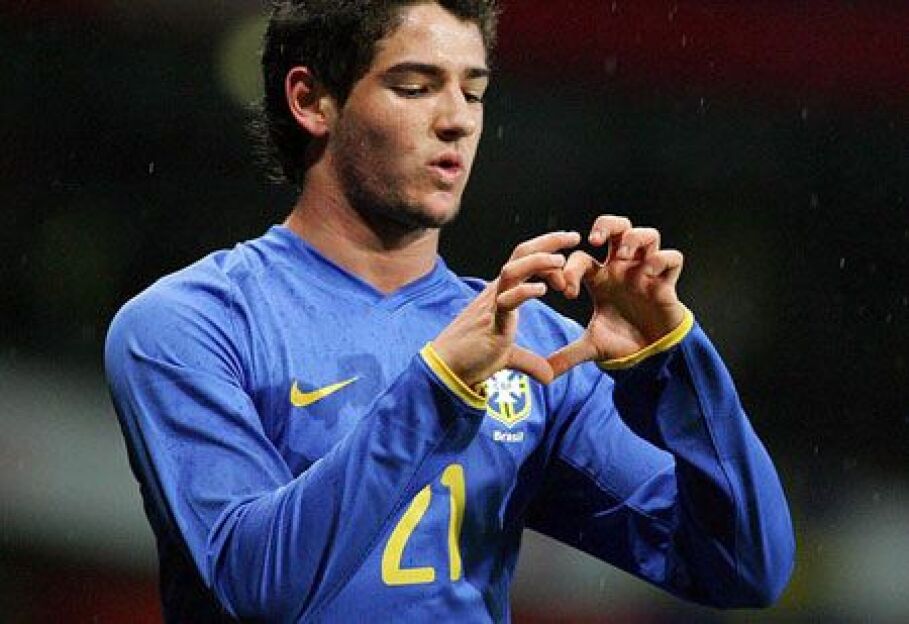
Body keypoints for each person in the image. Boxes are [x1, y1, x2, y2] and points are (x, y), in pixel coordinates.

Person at [104, 1, 795, 621]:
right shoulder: (190, 325)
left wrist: (673, 365)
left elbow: (744, 568)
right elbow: (258, 590)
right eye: (415, 87)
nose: (457, 119)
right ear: (312, 100)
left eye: (473, 91)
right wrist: (437, 390)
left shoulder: (534, 346)